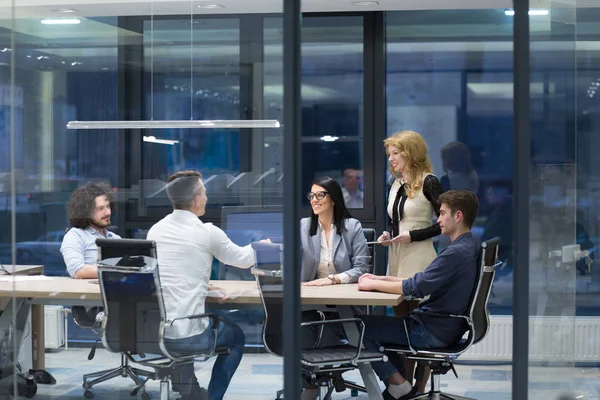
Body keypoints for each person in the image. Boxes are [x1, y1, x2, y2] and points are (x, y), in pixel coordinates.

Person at [146, 170, 262, 400]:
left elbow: (163, 272)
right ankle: (212, 398)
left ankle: (191, 393)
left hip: (154, 331)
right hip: (187, 334)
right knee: (236, 337)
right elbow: (243, 259)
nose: (207, 198)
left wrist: (201, 284)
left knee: (192, 324)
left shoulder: (155, 230)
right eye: (205, 193)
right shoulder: (206, 232)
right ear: (197, 199)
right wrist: (261, 245)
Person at [358, 190, 480, 400]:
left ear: (458, 216)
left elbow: (416, 288)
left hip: (432, 331)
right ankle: (400, 388)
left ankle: (399, 386)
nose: (438, 220)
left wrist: (371, 284)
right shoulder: (469, 246)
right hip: (446, 327)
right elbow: (421, 279)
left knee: (357, 326)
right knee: (385, 330)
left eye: (442, 214)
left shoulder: (455, 253)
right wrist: (382, 280)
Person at [378, 130, 444, 393]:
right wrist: (388, 235)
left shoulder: (430, 182)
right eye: (390, 154)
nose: (392, 159)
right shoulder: (394, 183)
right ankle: (404, 388)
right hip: (397, 257)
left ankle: (419, 389)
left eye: (396, 153)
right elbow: (396, 223)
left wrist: (413, 235)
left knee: (420, 324)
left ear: (411, 153)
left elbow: (443, 224)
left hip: (419, 257)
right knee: (400, 327)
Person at [299, 176, 371, 400]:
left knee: (329, 331)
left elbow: (361, 268)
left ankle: (313, 386)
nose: (314, 200)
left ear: (334, 199)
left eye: (320, 195)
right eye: (311, 195)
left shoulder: (352, 227)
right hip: (310, 299)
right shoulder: (303, 226)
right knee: (302, 330)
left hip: (344, 302)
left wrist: (333, 279)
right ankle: (314, 383)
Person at [60, 181, 121, 279]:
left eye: (108, 206)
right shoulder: (75, 235)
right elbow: (77, 271)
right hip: (88, 292)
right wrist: (116, 270)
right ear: (86, 212)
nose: (107, 212)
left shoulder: (115, 238)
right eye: (100, 208)